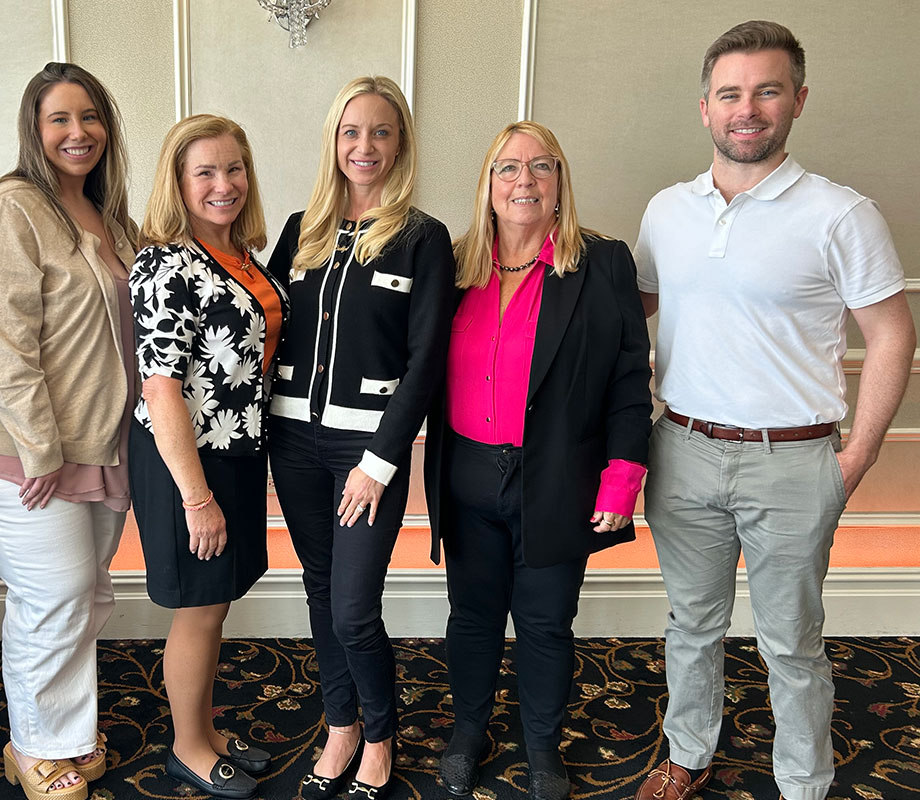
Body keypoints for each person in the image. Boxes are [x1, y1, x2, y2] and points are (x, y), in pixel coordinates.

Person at [632, 21, 915, 800]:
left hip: (794, 459)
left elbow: (892, 334)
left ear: (797, 100)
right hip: (681, 449)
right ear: (705, 108)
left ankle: (802, 779)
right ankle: (688, 753)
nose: (746, 108)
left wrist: (857, 454)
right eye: (730, 93)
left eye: (766, 90)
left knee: (791, 642)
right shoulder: (667, 211)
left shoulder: (840, 214)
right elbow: (630, 318)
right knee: (692, 626)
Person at [422, 121, 653, 800]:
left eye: (541, 166)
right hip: (466, 474)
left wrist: (623, 477)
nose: (525, 180)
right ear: (488, 187)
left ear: (560, 184)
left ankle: (542, 744)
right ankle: (469, 730)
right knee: (472, 617)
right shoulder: (455, 264)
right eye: (508, 168)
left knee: (547, 620)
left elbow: (628, 379)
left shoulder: (600, 262)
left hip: (558, 479)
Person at [0, 62, 139, 799]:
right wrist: (38, 449)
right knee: (55, 591)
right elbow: (1, 341)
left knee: (82, 593)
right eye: (59, 119)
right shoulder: (11, 209)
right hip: (13, 447)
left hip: (93, 444)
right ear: (34, 128)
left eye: (89, 117)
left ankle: (66, 734)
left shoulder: (110, 217)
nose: (77, 132)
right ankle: (38, 747)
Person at [267, 75, 457, 800]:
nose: (364, 145)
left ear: (400, 142)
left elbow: (425, 363)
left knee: (353, 605)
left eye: (380, 131)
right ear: (333, 142)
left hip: (364, 456)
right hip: (294, 444)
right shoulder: (299, 229)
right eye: (351, 132)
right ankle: (339, 721)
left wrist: (380, 461)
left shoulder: (422, 238)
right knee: (319, 591)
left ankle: (380, 734)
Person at [129, 113, 287, 800]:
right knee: (197, 607)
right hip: (185, 461)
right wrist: (196, 497)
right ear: (179, 182)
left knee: (216, 603)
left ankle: (206, 728)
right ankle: (188, 747)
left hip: (236, 450)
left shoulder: (243, 257)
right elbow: (160, 389)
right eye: (205, 172)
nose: (224, 183)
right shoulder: (165, 262)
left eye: (234, 168)